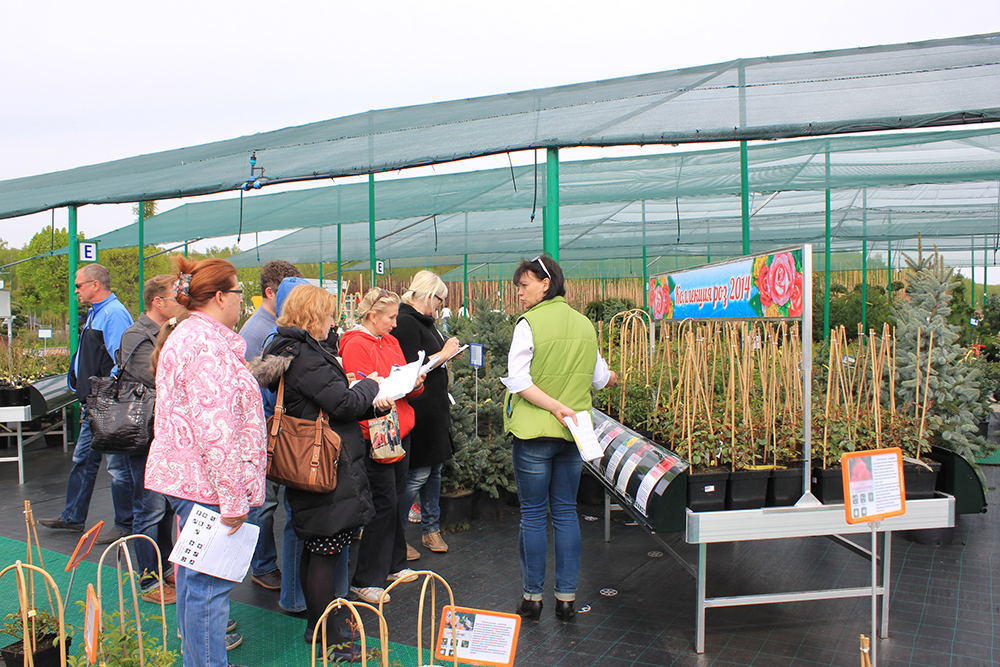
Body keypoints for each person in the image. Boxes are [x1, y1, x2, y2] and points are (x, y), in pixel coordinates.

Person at [251, 284, 387, 660]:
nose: (333, 321)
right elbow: (340, 403)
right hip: (324, 463)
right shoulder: (305, 357)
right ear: (313, 317)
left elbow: (327, 403)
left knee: (317, 546)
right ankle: (331, 635)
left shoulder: (288, 349)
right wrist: (372, 384)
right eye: (328, 314)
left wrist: (371, 405)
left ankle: (319, 624)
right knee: (325, 549)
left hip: (311, 459)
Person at [145, 258, 266, 667]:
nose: (241, 302)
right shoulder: (205, 345)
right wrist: (233, 500)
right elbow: (216, 430)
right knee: (208, 588)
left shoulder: (192, 336)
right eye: (237, 293)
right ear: (219, 297)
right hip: (210, 486)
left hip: (195, 481)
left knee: (196, 584)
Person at [501, 255, 617, 623]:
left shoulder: (529, 324)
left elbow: (518, 380)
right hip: (572, 435)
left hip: (534, 434)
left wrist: (553, 407)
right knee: (566, 513)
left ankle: (532, 598)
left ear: (545, 284)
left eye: (524, 285)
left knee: (534, 517)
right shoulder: (584, 324)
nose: (519, 292)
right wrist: (612, 377)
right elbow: (599, 378)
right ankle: (566, 600)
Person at [339, 288, 426, 604]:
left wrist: (414, 382)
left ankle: (393, 563)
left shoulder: (390, 341)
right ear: (372, 316)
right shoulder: (355, 344)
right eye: (390, 317)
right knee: (382, 502)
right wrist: (385, 391)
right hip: (376, 433)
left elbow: (400, 381)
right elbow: (361, 389)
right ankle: (366, 578)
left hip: (399, 429)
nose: (395, 324)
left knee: (396, 498)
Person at [40, 263, 135, 543]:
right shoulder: (97, 314)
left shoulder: (114, 314)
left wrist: (108, 397)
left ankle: (125, 523)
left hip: (106, 406)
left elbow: (122, 360)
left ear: (96, 285)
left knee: (117, 467)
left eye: (79, 284)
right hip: (93, 404)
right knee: (84, 460)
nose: (76, 290)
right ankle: (73, 516)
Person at [119, 275, 186, 605]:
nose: (181, 300)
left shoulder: (169, 330)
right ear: (157, 302)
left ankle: (164, 566)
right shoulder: (135, 334)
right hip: (143, 435)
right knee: (148, 509)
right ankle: (147, 580)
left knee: (165, 508)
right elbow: (156, 375)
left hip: (164, 434)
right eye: (176, 296)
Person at [239, 260, 303, 597]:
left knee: (280, 502)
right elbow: (253, 384)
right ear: (270, 293)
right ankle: (262, 566)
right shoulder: (255, 331)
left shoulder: (276, 325)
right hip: (263, 428)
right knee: (262, 504)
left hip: (280, 426)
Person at [393, 271, 461, 559]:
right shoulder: (407, 324)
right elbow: (412, 369)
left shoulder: (426, 324)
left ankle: (431, 529)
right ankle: (395, 536)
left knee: (434, 470)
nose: (440, 305)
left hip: (434, 409)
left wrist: (444, 356)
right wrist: (444, 354)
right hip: (419, 410)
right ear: (428, 295)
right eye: (439, 299)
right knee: (417, 475)